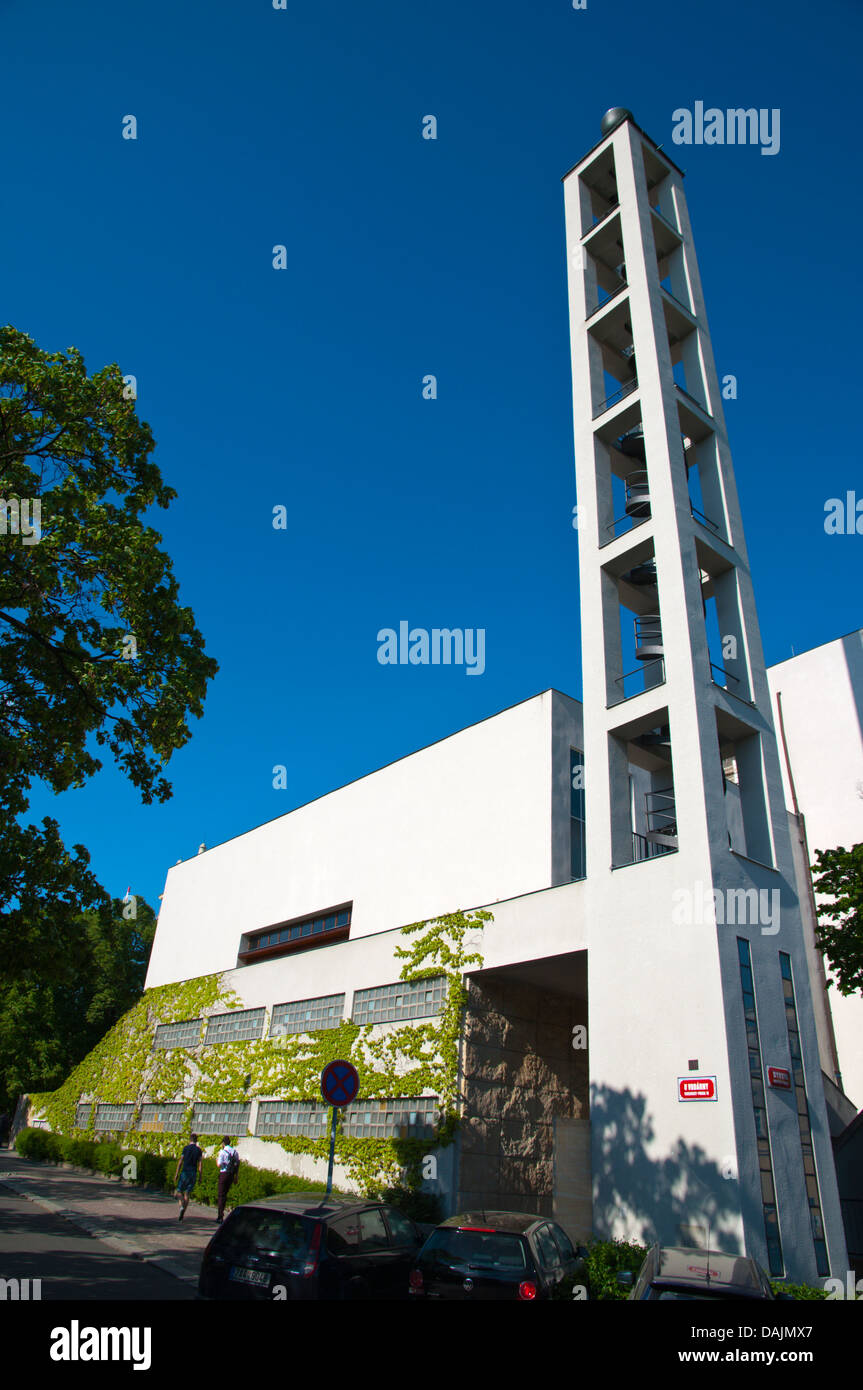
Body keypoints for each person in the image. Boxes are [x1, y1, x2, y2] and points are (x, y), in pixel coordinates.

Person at [174, 1132, 203, 1221]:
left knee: (178, 1192)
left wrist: (176, 1173)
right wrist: (200, 1176)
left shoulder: (186, 1148)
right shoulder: (199, 1150)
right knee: (187, 1193)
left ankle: (181, 1205)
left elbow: (180, 1161)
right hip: (193, 1173)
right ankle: (182, 1212)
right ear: (196, 1141)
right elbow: (200, 1164)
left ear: (190, 1140)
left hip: (185, 1172)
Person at [216, 1135, 240, 1223]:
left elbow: (219, 1164)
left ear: (223, 1143)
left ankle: (220, 1216)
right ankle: (221, 1213)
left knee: (220, 1195)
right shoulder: (234, 1152)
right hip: (231, 1174)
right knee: (225, 1194)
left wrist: (217, 1161)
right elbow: (237, 1163)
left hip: (223, 1173)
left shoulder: (222, 1152)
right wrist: (236, 1176)